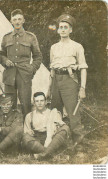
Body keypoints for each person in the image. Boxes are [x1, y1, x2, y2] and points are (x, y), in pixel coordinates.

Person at [47, 14, 88, 145]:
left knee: (72, 112)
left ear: (71, 30)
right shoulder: (54, 47)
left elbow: (83, 68)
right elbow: (52, 70)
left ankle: (79, 142)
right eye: (61, 27)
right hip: (55, 81)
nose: (63, 29)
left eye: (66, 27)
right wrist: (49, 88)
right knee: (55, 111)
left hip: (69, 80)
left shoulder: (77, 46)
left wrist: (82, 88)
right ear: (58, 30)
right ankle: (58, 141)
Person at [0, 9, 42, 117]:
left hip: (24, 76)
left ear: (23, 20)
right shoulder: (6, 37)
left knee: (26, 104)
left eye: (19, 19)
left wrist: (32, 69)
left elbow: (38, 56)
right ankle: (11, 128)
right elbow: (1, 55)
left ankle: (26, 129)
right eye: (15, 19)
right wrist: (5, 61)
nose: (17, 22)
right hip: (9, 75)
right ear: (11, 21)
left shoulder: (30, 37)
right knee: (9, 104)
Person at [23, 92, 70, 160]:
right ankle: (51, 154)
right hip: (37, 140)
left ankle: (42, 155)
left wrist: (57, 127)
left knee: (65, 128)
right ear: (34, 103)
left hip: (51, 139)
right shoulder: (29, 116)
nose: (39, 103)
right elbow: (26, 131)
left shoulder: (53, 113)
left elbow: (61, 126)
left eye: (42, 101)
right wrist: (29, 132)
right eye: (37, 101)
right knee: (25, 137)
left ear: (45, 102)